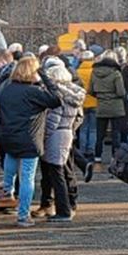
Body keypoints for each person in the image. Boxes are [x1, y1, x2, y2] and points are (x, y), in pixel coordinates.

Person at [0, 56, 63, 227]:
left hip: (8, 136)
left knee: (10, 159)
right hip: (29, 139)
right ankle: (23, 215)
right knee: (27, 178)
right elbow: (57, 100)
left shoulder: (7, 89)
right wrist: (46, 77)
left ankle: (7, 189)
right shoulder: (34, 92)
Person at [37, 58, 85, 222]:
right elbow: (78, 117)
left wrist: (43, 137)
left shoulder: (59, 97)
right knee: (61, 173)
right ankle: (65, 208)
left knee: (57, 174)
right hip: (67, 133)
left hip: (56, 135)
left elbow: (52, 121)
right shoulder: (74, 94)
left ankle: (63, 211)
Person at [91, 51, 126, 162]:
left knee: (100, 133)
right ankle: (114, 157)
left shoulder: (94, 72)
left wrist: (101, 96)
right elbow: (121, 92)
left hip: (101, 105)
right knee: (115, 133)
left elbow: (90, 90)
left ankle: (97, 156)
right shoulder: (116, 73)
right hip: (116, 106)